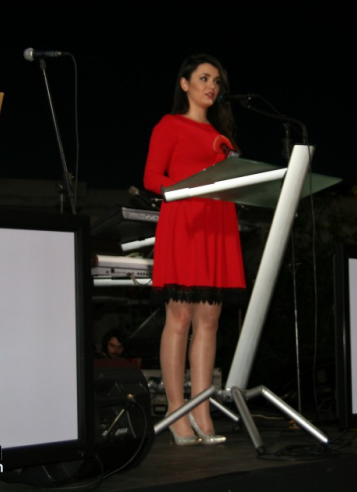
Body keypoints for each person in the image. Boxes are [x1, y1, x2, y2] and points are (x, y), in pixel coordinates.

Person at [143, 53, 246, 446]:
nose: (212, 87)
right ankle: (176, 410)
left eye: (216, 81)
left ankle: (202, 408)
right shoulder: (170, 125)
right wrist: (183, 190)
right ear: (184, 84)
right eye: (204, 78)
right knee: (180, 315)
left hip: (218, 225)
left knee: (210, 318)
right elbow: (151, 176)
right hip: (185, 222)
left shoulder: (224, 136)